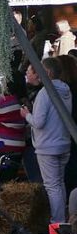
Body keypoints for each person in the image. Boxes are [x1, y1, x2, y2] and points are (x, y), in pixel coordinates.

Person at [23, 57, 73, 223]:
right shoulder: (66, 90)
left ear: (48, 73)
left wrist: (26, 115)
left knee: (53, 186)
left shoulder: (46, 93)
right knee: (59, 184)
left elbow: (38, 122)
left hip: (48, 145)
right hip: (63, 142)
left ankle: (57, 223)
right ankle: (61, 221)